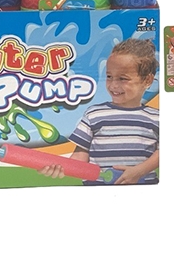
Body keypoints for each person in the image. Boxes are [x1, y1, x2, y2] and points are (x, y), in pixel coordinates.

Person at [40, 38, 159, 184]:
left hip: (143, 191)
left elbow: (165, 151)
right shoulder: (94, 114)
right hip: (97, 190)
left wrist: (139, 171)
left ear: (147, 80)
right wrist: (58, 166)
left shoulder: (156, 118)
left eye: (122, 78)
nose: (113, 85)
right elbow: (80, 157)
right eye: (109, 77)